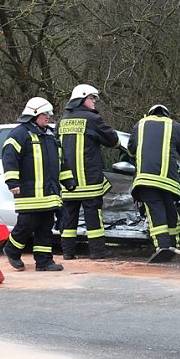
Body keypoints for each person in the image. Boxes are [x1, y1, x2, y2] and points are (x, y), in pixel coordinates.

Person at [2, 97, 75, 272]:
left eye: (49, 114)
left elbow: (61, 161)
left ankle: (44, 262)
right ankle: (11, 249)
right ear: (33, 115)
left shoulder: (50, 135)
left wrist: (69, 180)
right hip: (29, 192)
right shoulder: (19, 134)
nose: (48, 117)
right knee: (26, 224)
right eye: (45, 114)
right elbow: (10, 159)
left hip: (49, 193)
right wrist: (12, 182)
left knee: (45, 227)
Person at [56, 84, 121, 260]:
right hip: (89, 181)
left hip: (67, 181)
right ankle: (98, 252)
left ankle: (68, 253)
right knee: (93, 217)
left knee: (69, 219)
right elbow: (112, 139)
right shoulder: (92, 119)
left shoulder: (62, 121)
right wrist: (119, 147)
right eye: (92, 98)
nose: (94, 102)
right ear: (82, 99)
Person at [127, 104, 180, 257]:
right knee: (170, 211)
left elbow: (130, 151)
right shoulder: (175, 127)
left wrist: (136, 162)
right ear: (166, 115)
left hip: (146, 181)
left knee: (155, 212)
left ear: (150, 113)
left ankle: (163, 248)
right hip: (169, 182)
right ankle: (174, 246)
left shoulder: (140, 125)